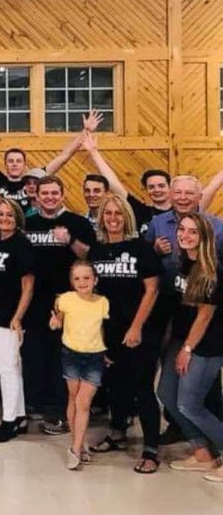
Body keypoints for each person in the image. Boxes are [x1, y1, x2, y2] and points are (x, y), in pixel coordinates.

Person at [86, 193, 162, 474]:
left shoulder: (141, 248)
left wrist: (136, 327)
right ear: (101, 218)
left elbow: (152, 290)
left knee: (142, 387)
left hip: (141, 329)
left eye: (118, 214)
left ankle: (151, 448)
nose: (113, 219)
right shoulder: (96, 250)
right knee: (115, 383)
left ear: (127, 217)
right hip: (109, 329)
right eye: (108, 214)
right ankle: (117, 433)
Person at [22, 174, 97, 434]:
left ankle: (61, 410)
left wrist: (70, 242)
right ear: (37, 196)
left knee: (62, 357)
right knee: (35, 353)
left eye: (55, 193)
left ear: (63, 195)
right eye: (45, 194)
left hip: (70, 302)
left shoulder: (78, 222)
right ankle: (38, 403)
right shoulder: (29, 223)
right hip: (35, 300)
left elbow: (90, 257)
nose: (50, 198)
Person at [156, 213, 223, 482]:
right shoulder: (182, 262)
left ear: (205, 237)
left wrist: (187, 349)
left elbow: (204, 316)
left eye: (193, 232)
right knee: (166, 394)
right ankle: (202, 452)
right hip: (180, 340)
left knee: (190, 404)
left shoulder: (212, 271)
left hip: (205, 346)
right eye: (182, 230)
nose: (185, 235)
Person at [0, 105, 99, 212]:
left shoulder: (35, 179)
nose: (14, 164)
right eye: (11, 161)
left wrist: (85, 132)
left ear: (24, 164)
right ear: (5, 164)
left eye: (18, 161)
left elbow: (64, 157)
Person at [0, 197, 35, 443]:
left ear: (18, 219)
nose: (4, 219)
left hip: (11, 317)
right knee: (11, 366)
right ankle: (20, 416)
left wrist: (17, 317)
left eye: (9, 215)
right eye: (0, 214)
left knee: (7, 369)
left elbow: (28, 285)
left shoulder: (21, 244)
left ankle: (9, 421)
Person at [49, 261, 110, 470]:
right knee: (73, 398)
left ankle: (74, 449)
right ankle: (79, 441)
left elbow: (102, 329)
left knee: (84, 402)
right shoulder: (66, 299)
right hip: (71, 355)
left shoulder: (103, 302)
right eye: (77, 279)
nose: (82, 282)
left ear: (95, 280)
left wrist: (106, 351)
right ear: (71, 282)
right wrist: (55, 322)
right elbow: (59, 318)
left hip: (94, 357)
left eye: (87, 278)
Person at [79, 131, 172, 235]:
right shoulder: (142, 211)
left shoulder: (181, 212)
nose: (157, 190)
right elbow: (114, 185)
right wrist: (94, 153)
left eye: (161, 186)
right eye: (151, 187)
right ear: (146, 190)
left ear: (170, 187)